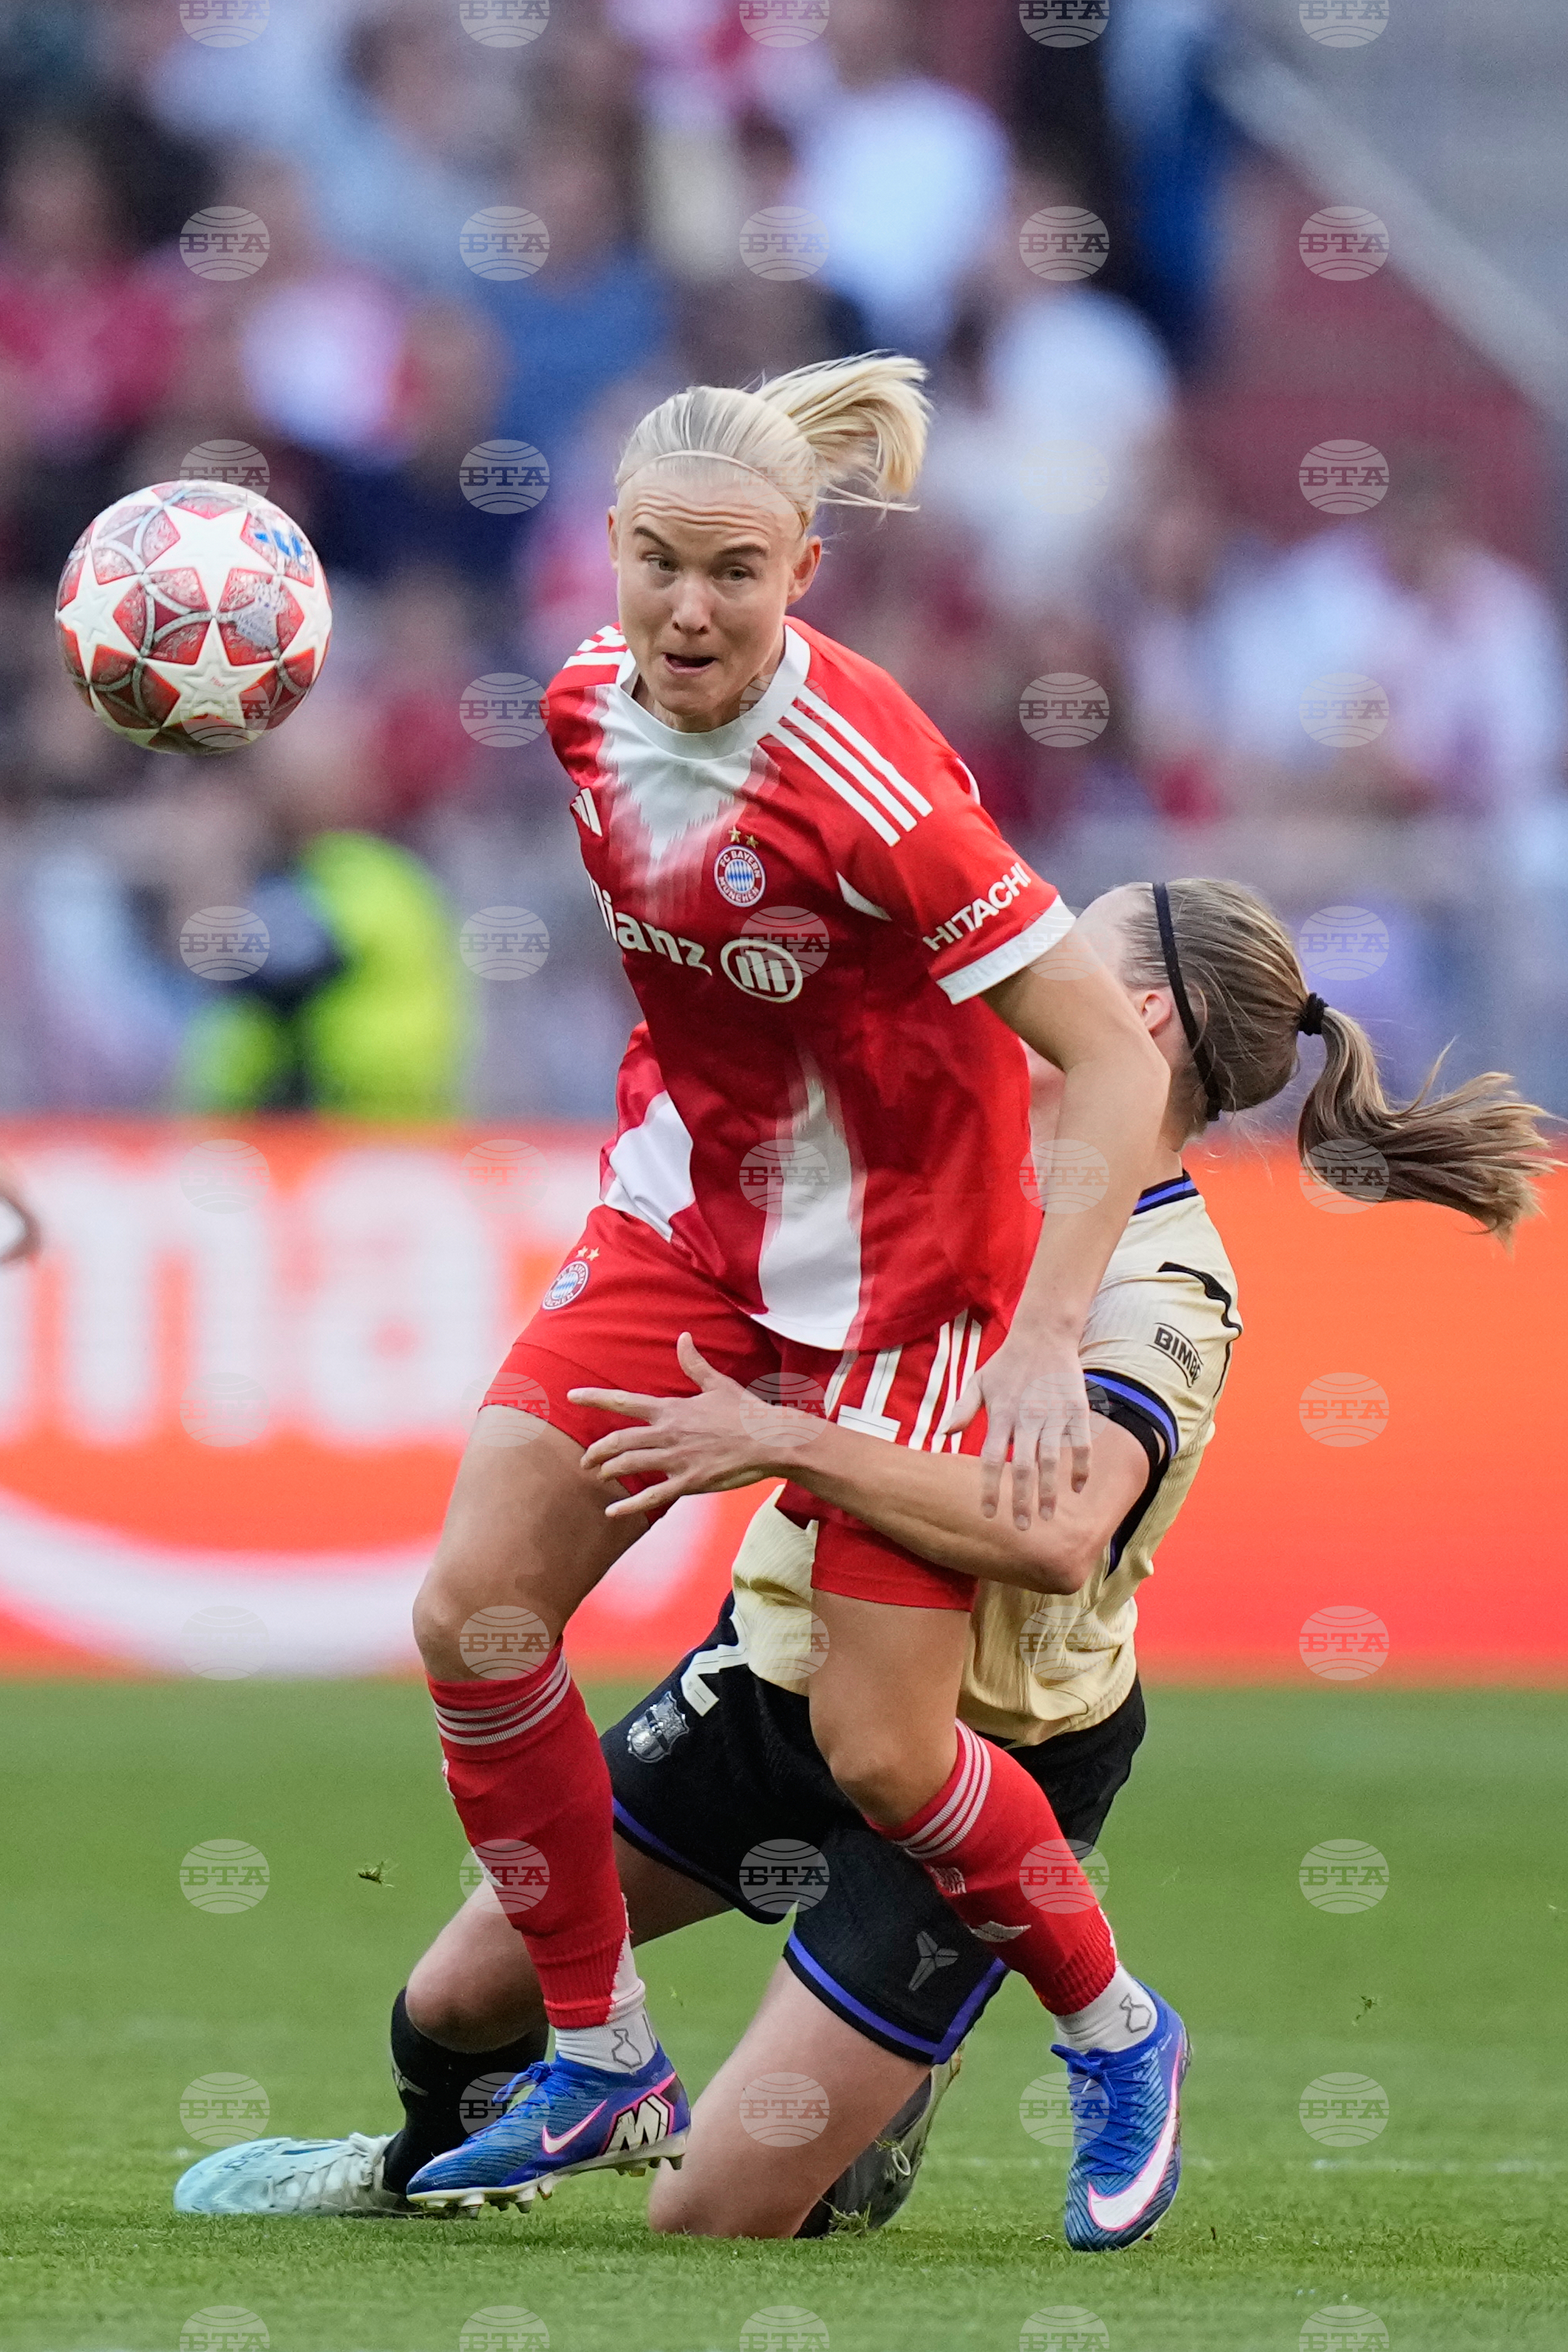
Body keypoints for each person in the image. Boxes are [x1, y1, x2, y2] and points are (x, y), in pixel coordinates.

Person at [173, 875, 1549, 2243]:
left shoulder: (1160, 1287)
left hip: (987, 1745)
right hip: (780, 1676)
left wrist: (787, 1439)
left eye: (1065, 934)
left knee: (711, 2218)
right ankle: (411, 2164)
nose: (1024, 945)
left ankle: (899, 2101)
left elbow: (1056, 1532)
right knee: (465, 1995)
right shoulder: (933, 1152)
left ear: (1133, 1018)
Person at [403, 349, 1179, 2215]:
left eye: (736, 571)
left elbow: (1119, 1063)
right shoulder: (582, 707)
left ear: (803, 573)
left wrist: (1049, 1329)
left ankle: (1116, 2027)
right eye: (659, 560)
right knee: (473, 1617)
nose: (690, 606)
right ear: (602, 548)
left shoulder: (874, 780)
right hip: (690, 1230)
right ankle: (600, 2063)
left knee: (884, 1745)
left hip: (915, 1271)